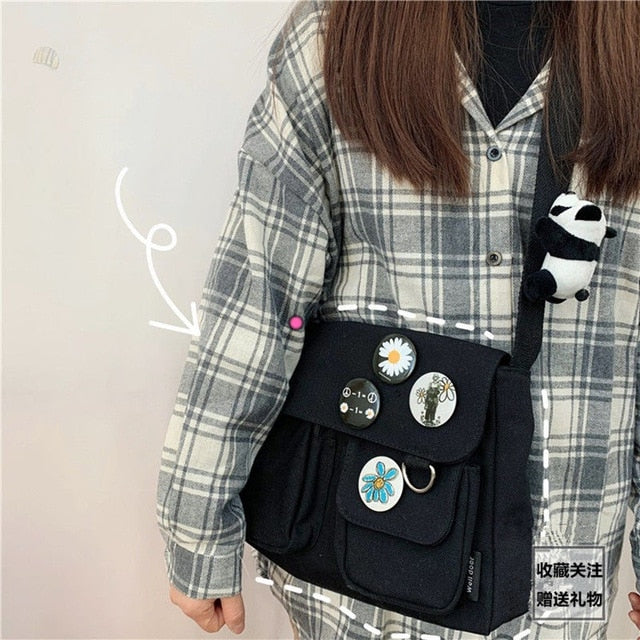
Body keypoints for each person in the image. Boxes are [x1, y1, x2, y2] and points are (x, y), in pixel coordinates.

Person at [156, 1, 640, 638]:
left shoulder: (628, 50)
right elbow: (260, 294)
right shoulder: (337, 33)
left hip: (563, 569)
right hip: (363, 575)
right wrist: (196, 522)